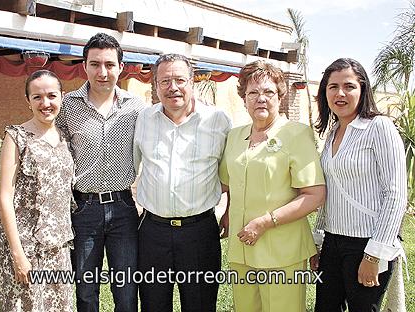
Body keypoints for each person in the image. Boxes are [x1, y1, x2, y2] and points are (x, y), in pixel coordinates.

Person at [218, 60, 326, 312]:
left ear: (280, 96)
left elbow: (315, 194)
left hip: (282, 250)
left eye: (268, 92)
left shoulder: (296, 134)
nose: (261, 99)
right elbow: (231, 182)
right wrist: (227, 211)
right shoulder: (234, 136)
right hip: (242, 247)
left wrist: (265, 221)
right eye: (253, 92)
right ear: (244, 97)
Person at [134, 53, 232, 312]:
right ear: (155, 85)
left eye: (180, 79)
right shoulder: (143, 120)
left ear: (192, 82)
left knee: (200, 305)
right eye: (165, 81)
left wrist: (230, 209)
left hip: (199, 232)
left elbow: (234, 172)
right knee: (153, 306)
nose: (173, 87)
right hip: (152, 232)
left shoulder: (218, 121)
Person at [56, 33, 145, 312]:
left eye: (109, 64)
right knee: (85, 290)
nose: (102, 72)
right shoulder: (67, 106)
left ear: (121, 66)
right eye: (95, 64)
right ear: (84, 66)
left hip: (124, 208)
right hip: (84, 210)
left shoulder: (136, 107)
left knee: (127, 291)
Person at [312, 58, 407, 312]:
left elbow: (395, 194)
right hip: (333, 242)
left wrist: (373, 254)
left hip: (367, 241)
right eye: (333, 87)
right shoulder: (333, 132)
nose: (340, 93)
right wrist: (319, 241)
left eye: (349, 86)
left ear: (363, 89)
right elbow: (330, 191)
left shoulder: (379, 127)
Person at [0, 69, 74, 312]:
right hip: (27, 246)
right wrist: (18, 254)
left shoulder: (65, 138)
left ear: (62, 97)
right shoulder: (16, 137)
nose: (45, 103)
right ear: (27, 101)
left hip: (59, 246)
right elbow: (4, 197)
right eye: (37, 97)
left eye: (51, 95)